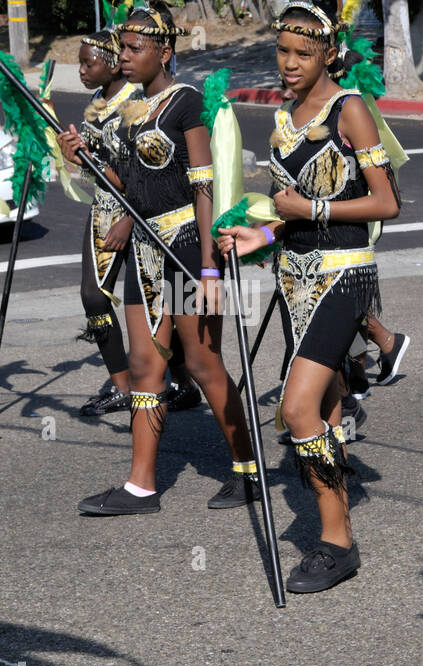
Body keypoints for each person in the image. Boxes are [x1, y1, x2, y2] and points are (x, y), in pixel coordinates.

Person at [219, 0, 401, 592]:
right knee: (321, 408)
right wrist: (262, 234)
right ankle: (336, 528)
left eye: (304, 53)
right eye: (283, 51)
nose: (290, 63)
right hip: (294, 275)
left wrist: (311, 208)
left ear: (329, 52)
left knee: (296, 408)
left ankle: (336, 540)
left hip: (344, 275)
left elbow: (386, 203)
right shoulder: (287, 114)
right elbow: (289, 212)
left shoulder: (350, 110)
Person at [60, 2, 259, 515]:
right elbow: (126, 184)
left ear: (164, 52)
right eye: (122, 49)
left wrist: (210, 267)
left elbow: (203, 184)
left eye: (134, 49)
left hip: (187, 247)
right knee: (146, 365)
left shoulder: (186, 103)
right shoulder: (130, 111)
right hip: (143, 249)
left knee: (200, 360)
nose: (124, 58)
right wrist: (83, 158)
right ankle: (141, 486)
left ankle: (248, 467)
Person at [71, 29, 199, 418]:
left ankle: (185, 380)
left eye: (87, 63)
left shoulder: (148, 101)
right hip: (106, 208)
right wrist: (75, 156)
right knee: (94, 297)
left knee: (172, 312)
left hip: (146, 214)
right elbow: (101, 168)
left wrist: (129, 217)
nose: (79, 71)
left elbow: (154, 173)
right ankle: (125, 385)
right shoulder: (96, 101)